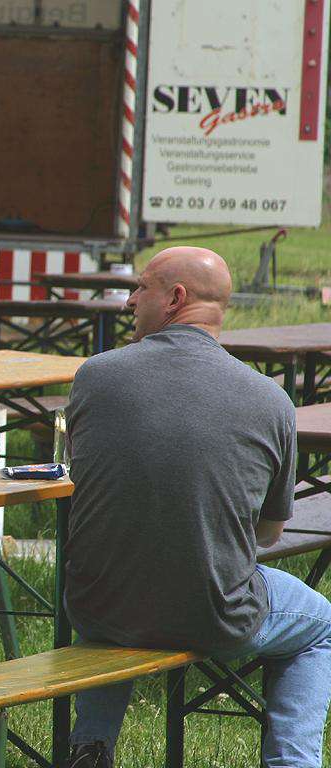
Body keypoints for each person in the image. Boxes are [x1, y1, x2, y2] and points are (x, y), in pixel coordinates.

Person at [63, 246, 331, 768]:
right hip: (214, 616)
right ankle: (292, 763)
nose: (130, 300)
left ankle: (90, 747)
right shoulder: (271, 400)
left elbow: (93, 479)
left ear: (175, 298)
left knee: (117, 573)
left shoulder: (95, 376)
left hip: (98, 608)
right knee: (322, 624)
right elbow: (270, 533)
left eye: (141, 287)